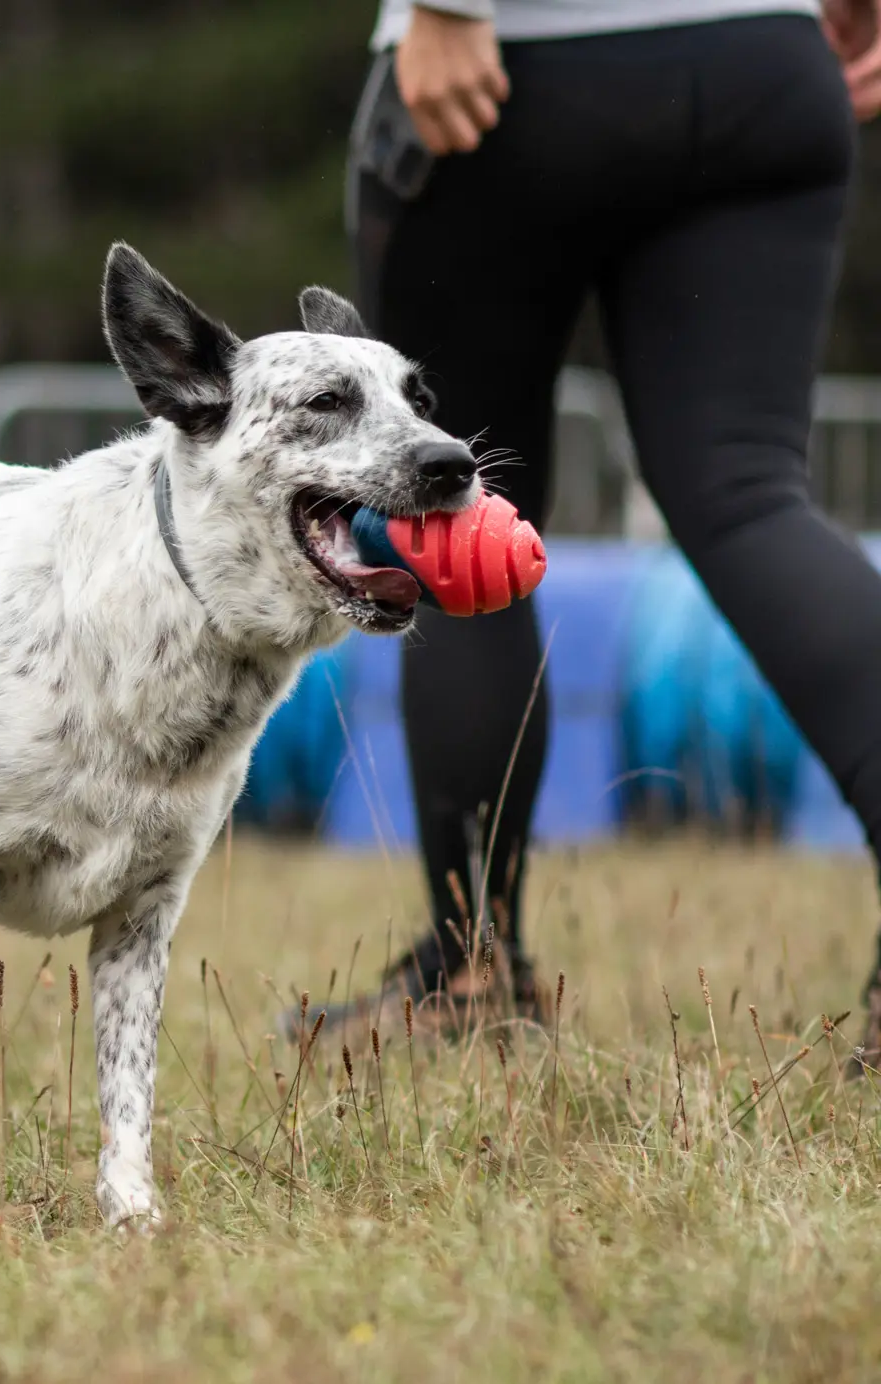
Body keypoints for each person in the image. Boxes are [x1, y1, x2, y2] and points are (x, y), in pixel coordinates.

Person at [311, 0, 881, 1065]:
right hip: (763, 54)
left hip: (522, 65)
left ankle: (467, 971)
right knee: (750, 496)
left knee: (449, 517)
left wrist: (446, 6)